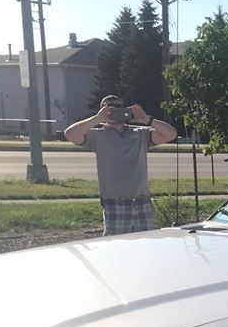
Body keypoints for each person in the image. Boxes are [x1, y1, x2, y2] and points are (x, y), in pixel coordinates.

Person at [64, 95, 178, 235]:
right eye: (109, 108)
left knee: (146, 246)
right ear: (102, 111)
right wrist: (97, 119)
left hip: (142, 202)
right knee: (116, 248)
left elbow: (171, 134)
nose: (114, 110)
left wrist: (148, 120)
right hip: (115, 203)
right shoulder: (97, 136)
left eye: (118, 107)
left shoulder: (140, 134)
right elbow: (69, 134)